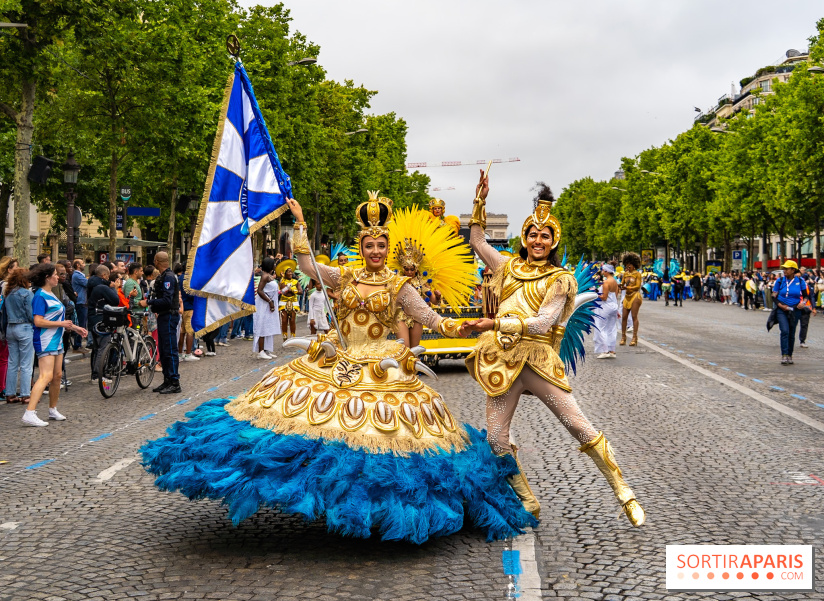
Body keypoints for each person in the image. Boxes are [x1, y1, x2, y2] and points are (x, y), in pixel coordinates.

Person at [141, 191, 537, 545]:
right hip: (337, 356)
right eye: (370, 244)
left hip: (382, 365)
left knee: (380, 435)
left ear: (388, 247)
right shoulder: (343, 274)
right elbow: (306, 265)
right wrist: (298, 222)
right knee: (297, 420)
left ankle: (374, 508)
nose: (376, 251)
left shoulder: (400, 286)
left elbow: (431, 318)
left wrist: (464, 326)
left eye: (382, 245)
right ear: (361, 246)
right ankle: (312, 492)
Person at [463, 173, 644, 526]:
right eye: (532, 233)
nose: (538, 240)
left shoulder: (559, 278)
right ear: (524, 237)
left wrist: (496, 324)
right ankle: (527, 499)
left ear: (553, 240)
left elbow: (544, 322)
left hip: (537, 360)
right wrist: (480, 201)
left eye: (545, 235)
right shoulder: (506, 267)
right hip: (501, 363)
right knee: (496, 438)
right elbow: (477, 240)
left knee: (577, 425)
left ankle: (624, 492)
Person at [22, 264, 87, 427]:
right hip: (45, 339)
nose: (58, 277)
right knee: (46, 376)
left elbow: (59, 320)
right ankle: (30, 412)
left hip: (56, 339)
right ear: (47, 277)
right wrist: (62, 324)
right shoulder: (40, 296)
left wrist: (75, 328)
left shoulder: (51, 294)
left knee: (57, 375)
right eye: (55, 275)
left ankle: (52, 409)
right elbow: (38, 321)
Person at [139, 252, 180, 393]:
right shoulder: (164, 276)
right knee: (163, 350)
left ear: (157, 261)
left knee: (169, 350)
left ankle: (175, 382)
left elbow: (167, 300)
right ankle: (167, 379)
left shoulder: (168, 277)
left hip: (169, 316)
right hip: (163, 316)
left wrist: (148, 302)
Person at [4, 268, 34, 405]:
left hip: (10, 328)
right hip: (25, 328)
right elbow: (31, 314)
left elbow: (4, 315)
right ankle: (25, 394)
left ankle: (10, 394)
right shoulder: (27, 294)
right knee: (26, 364)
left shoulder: (8, 293)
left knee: (12, 363)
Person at [772, 260, 808, 365]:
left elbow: (806, 295)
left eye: (786, 269)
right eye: (784, 268)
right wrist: (780, 305)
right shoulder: (780, 281)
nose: (784, 271)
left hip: (795, 310)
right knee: (785, 331)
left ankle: (789, 355)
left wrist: (803, 303)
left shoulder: (800, 281)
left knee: (791, 333)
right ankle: (784, 355)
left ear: (793, 270)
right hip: (781, 309)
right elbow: (774, 296)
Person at [87, 265, 119, 380]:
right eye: (108, 276)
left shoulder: (92, 285)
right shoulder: (102, 287)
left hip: (92, 319)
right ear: (104, 275)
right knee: (103, 347)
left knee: (96, 348)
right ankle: (98, 374)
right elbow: (116, 300)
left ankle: (94, 373)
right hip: (101, 320)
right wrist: (113, 288)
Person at [253, 257, 281, 359]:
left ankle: (266, 349)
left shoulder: (268, 276)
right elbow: (260, 291)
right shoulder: (264, 276)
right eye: (273, 264)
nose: (274, 266)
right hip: (264, 305)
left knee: (269, 327)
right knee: (263, 327)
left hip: (270, 304)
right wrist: (270, 302)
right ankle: (260, 351)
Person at [593, 264, 620, 358]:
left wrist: (595, 294)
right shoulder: (615, 282)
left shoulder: (606, 282)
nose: (602, 271)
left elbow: (604, 297)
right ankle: (612, 350)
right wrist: (616, 310)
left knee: (600, 327)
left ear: (607, 271)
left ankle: (605, 351)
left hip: (605, 307)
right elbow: (615, 296)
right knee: (611, 328)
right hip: (613, 306)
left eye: (603, 270)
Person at [174, 263, 198, 362]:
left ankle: (180, 353)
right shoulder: (189, 279)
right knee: (189, 331)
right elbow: (191, 294)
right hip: (189, 307)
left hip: (180, 308)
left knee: (181, 331)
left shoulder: (179, 278)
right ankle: (188, 353)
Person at [620, 252, 643, 346]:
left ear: (634, 265)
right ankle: (623, 337)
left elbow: (637, 286)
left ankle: (634, 337)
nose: (628, 267)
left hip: (635, 296)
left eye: (630, 265)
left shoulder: (638, 274)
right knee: (624, 317)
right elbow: (622, 284)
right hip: (627, 296)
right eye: (627, 265)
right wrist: (620, 286)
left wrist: (627, 288)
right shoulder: (625, 274)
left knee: (634, 316)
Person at [277, 264, 301, 340]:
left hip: (293, 302)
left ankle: (293, 336)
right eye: (288, 272)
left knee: (292, 320)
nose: (290, 273)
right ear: (285, 273)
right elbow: (283, 292)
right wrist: (288, 289)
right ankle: (284, 336)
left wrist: (293, 290)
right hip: (283, 302)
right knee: (284, 320)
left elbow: (301, 291)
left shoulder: (296, 281)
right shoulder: (282, 281)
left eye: (291, 272)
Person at [71, 258, 88, 350]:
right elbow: (87, 283)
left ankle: (78, 343)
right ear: (78, 265)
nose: (84, 265)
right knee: (81, 324)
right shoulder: (77, 275)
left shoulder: (79, 275)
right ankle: (78, 344)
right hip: (81, 301)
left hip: (82, 301)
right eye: (82, 263)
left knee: (82, 323)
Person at [797, 277, 816, 349]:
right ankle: (790, 340)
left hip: (806, 308)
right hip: (795, 307)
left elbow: (811, 297)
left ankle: (802, 341)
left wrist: (813, 308)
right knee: (792, 325)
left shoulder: (807, 287)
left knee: (804, 325)